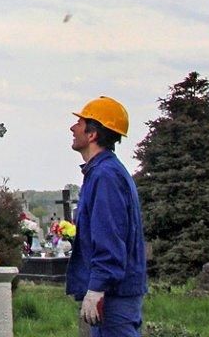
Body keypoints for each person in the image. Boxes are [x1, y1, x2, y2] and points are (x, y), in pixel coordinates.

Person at [67, 96, 147, 337]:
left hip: (113, 297)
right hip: (115, 294)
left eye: (79, 123)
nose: (72, 128)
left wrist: (97, 288)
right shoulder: (102, 172)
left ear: (92, 134)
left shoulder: (105, 176)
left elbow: (109, 237)